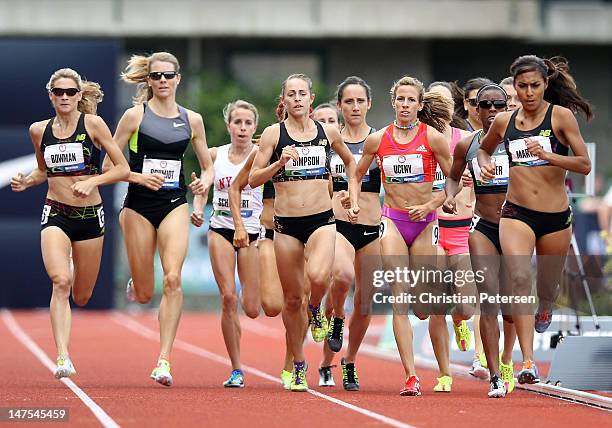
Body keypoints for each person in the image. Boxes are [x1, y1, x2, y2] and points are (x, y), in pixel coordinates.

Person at [477, 55, 592, 384]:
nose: (528, 93)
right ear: (514, 87)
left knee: (546, 286)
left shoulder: (561, 117)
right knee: (518, 278)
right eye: (522, 86)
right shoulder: (504, 122)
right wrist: (484, 162)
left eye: (535, 86)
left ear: (545, 85)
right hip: (516, 213)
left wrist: (548, 156)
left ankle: (545, 304)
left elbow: (584, 164)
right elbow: (485, 149)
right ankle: (527, 360)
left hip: (555, 217)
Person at [11, 68, 129, 378]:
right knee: (60, 281)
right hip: (56, 212)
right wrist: (27, 182)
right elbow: (42, 170)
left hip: (90, 216)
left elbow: (121, 168)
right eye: (59, 92)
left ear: (79, 95)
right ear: (50, 95)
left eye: (70, 92)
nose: (64, 97)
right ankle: (62, 356)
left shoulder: (93, 124)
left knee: (82, 295)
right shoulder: (39, 130)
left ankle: (74, 267)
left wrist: (93, 183)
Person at [104, 52, 214, 386]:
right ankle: (137, 286)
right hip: (138, 205)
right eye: (156, 76)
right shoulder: (133, 117)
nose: (162, 81)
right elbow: (109, 167)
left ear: (178, 78)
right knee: (143, 291)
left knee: (172, 280)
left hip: (174, 203)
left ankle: (164, 359)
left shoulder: (192, 119)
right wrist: (137, 178)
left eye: (168, 75)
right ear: (148, 81)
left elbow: (207, 165)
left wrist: (203, 182)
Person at [248, 73, 359, 392]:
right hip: (286, 226)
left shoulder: (327, 131)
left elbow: (352, 163)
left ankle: (316, 310)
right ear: (284, 101)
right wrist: (277, 164)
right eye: (291, 94)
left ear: (311, 99)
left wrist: (350, 192)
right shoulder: (272, 134)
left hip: (322, 220)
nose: (297, 98)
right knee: (292, 299)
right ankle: (298, 363)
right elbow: (254, 180)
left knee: (320, 276)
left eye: (303, 93)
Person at [354, 76, 453, 396]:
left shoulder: (433, 138)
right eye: (401, 100)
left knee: (422, 306)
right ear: (393, 102)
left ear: (420, 105)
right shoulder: (378, 139)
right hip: (393, 222)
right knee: (400, 299)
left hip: (425, 223)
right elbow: (356, 175)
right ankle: (411, 376)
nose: (405, 105)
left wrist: (431, 203)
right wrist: (353, 200)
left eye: (411, 100)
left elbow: (456, 179)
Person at [445, 83, 516, 397]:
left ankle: (511, 359)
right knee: (489, 302)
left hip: (518, 228)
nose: (491, 112)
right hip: (484, 226)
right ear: (474, 109)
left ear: (506, 108)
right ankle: (496, 376)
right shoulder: (468, 145)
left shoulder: (519, 142)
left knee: (513, 308)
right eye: (484, 105)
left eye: (497, 106)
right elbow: (451, 177)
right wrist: (450, 195)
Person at [191, 100, 262, 388]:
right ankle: (236, 368)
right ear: (228, 125)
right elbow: (202, 185)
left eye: (248, 123)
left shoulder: (261, 154)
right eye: (238, 122)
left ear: (255, 127)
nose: (242, 128)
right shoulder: (214, 154)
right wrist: (197, 207)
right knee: (228, 298)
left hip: (252, 232)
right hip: (220, 229)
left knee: (253, 307)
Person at [318, 76, 381, 391]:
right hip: (337, 224)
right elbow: (317, 184)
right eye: (348, 101)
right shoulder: (328, 140)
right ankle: (337, 319)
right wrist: (338, 195)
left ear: (369, 104)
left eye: (360, 101)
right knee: (342, 278)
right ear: (339, 105)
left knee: (366, 303)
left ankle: (348, 361)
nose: (355, 107)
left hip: (372, 228)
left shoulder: (380, 140)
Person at [426, 81, 476, 393]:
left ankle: (460, 321)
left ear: (453, 107)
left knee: (467, 305)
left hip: (461, 228)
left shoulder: (466, 140)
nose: (439, 108)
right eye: (433, 102)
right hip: (431, 229)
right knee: (434, 306)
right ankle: (444, 373)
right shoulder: (420, 141)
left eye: (444, 102)